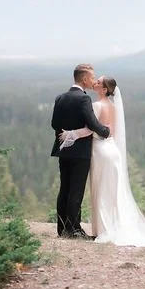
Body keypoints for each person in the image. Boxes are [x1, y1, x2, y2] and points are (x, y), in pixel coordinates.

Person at [57, 76, 145, 248]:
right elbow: (110, 131)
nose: (95, 83)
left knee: (101, 189)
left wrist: (71, 134)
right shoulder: (113, 107)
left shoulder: (97, 105)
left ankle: (104, 230)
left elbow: (92, 129)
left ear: (105, 89)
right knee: (112, 191)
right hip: (112, 150)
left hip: (101, 151)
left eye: (99, 83)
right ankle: (112, 225)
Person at [50, 63, 111, 238]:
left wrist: (66, 135)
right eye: (92, 77)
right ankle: (75, 230)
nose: (93, 80)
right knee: (76, 191)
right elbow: (92, 123)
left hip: (63, 150)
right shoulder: (84, 99)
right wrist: (106, 132)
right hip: (80, 152)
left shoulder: (60, 97)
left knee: (65, 189)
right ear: (84, 79)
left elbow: (54, 124)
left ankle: (62, 229)